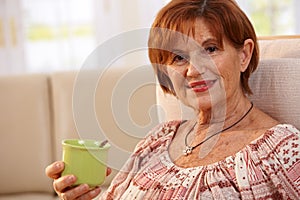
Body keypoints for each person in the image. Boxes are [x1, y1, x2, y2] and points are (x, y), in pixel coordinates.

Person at [45, 0, 300, 199]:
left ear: (244, 55)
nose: (193, 70)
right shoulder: (157, 140)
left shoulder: (282, 149)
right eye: (178, 57)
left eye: (210, 49)